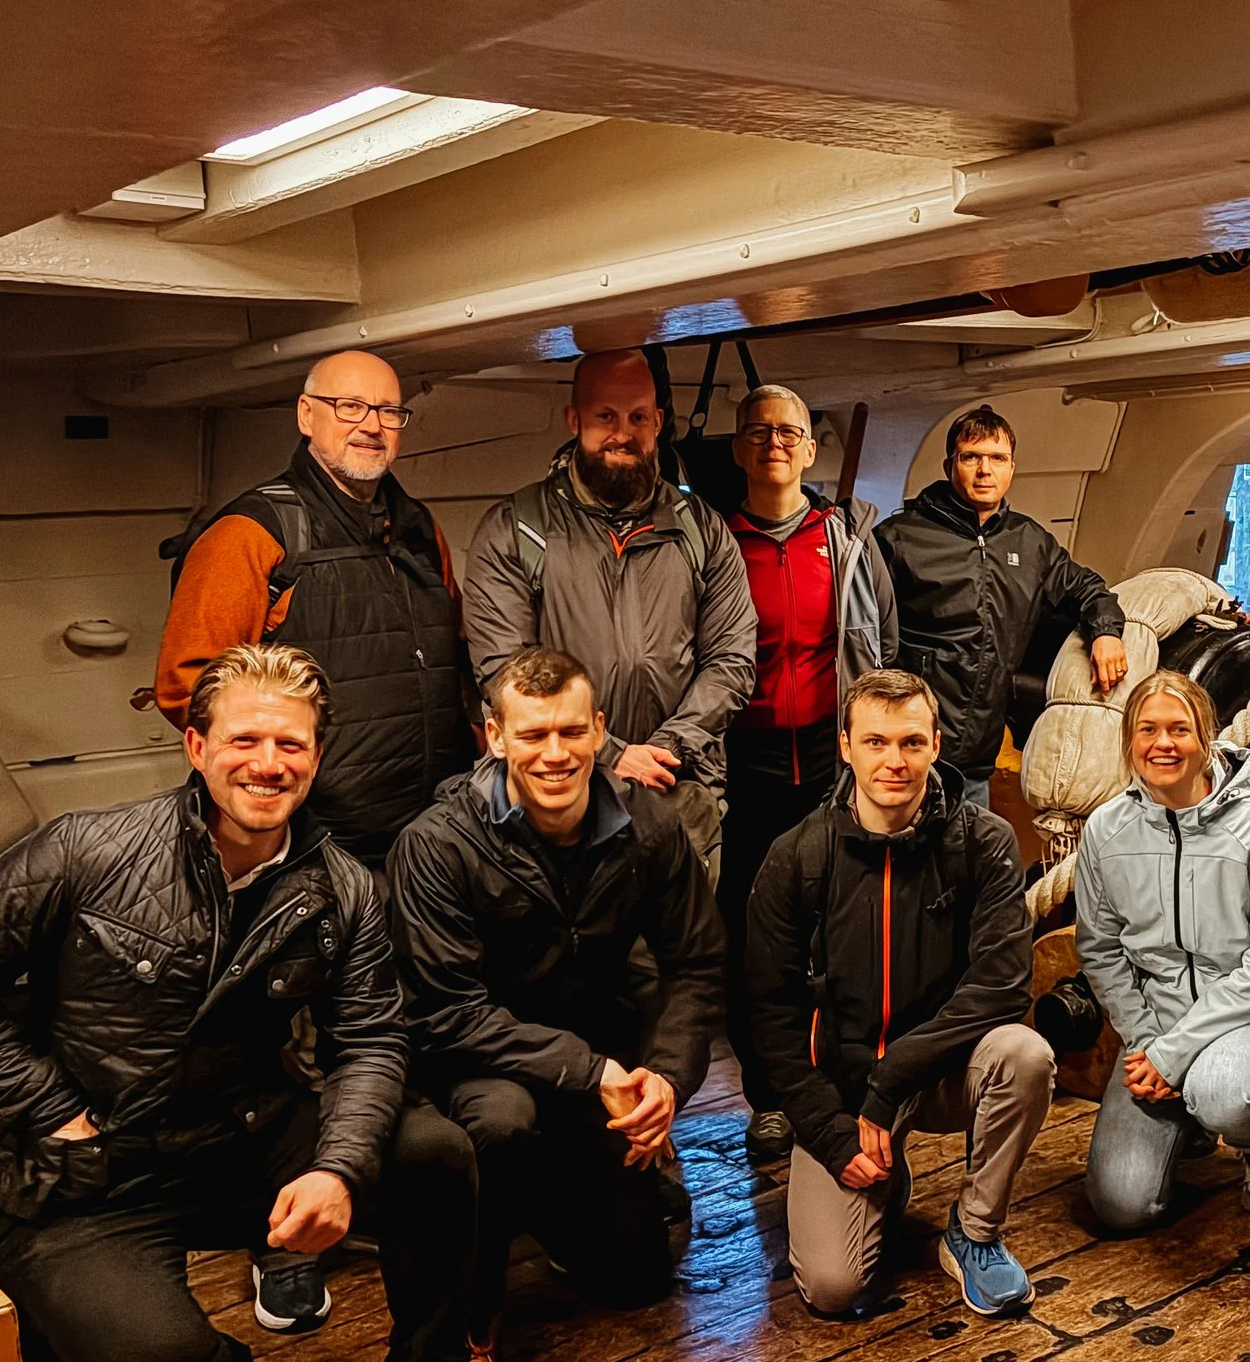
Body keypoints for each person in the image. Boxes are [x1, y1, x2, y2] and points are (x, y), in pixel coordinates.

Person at [0, 645, 564, 1362]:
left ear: (317, 758)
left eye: (293, 743)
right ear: (196, 746)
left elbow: (369, 1043)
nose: (269, 763)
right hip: (88, 1169)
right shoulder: (87, 848)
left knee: (432, 1149)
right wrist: (50, 1111)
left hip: (240, 1135)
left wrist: (339, 1170)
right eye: (246, 738)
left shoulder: (346, 892)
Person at [386, 647, 724, 1362]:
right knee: (505, 1124)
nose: (555, 752)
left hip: (591, 1054)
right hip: (475, 1062)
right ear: (494, 737)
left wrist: (665, 1077)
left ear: (600, 729)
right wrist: (593, 1068)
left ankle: (550, 1197)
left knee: (636, 1278)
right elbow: (445, 1011)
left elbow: (697, 965)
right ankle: (472, 1321)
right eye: (532, 733)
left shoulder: (649, 825)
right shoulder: (438, 844)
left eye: (572, 730)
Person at [746, 668, 1054, 1317]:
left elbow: (1001, 985)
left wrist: (891, 1085)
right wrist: (832, 1133)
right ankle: (883, 1177)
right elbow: (770, 1016)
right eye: (877, 741)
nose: (894, 759)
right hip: (843, 1088)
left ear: (937, 743)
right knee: (832, 1289)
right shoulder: (796, 858)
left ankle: (973, 1232)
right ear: (847, 745)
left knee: (1024, 1055)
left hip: (941, 1071)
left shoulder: (983, 842)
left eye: (911, 742)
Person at [155, 349, 467, 868]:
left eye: (388, 412)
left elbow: (454, 665)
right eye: (349, 407)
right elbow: (187, 686)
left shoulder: (421, 530)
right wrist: (274, 784)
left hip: (437, 831)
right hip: (320, 841)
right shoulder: (251, 535)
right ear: (306, 415)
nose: (371, 426)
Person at [460, 348, 758, 858]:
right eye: (606, 416)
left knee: (685, 939)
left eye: (638, 417)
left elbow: (732, 659)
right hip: (557, 799)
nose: (623, 433)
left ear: (659, 422)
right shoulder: (515, 529)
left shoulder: (701, 528)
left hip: (678, 795)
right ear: (575, 420)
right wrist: (610, 752)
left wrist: (668, 749)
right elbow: (505, 673)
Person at [721, 383, 898, 1166]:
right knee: (754, 936)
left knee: (834, 928)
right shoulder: (714, 540)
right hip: (744, 762)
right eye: (759, 432)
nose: (775, 444)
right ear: (739, 448)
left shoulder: (849, 537)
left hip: (829, 758)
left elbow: (880, 639)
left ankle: (839, 1080)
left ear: (811, 447)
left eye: (789, 431)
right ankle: (768, 1097)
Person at [1072, 670, 1250, 1231]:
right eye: (1147, 729)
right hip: (1158, 1024)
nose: (1164, 743)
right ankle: (1186, 1124)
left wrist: (1173, 1054)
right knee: (1122, 1205)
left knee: (1224, 1093)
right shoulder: (1106, 830)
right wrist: (1149, 1041)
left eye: (1180, 729)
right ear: (1130, 741)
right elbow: (1100, 949)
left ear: (1206, 737)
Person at [875, 404, 1129, 808]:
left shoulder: (1029, 542)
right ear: (949, 465)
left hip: (979, 754)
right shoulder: (899, 539)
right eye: (971, 457)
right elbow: (863, 639)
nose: (984, 470)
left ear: (1011, 468)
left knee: (970, 864)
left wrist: (1106, 633)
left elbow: (1088, 589)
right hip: (905, 751)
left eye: (997, 458)